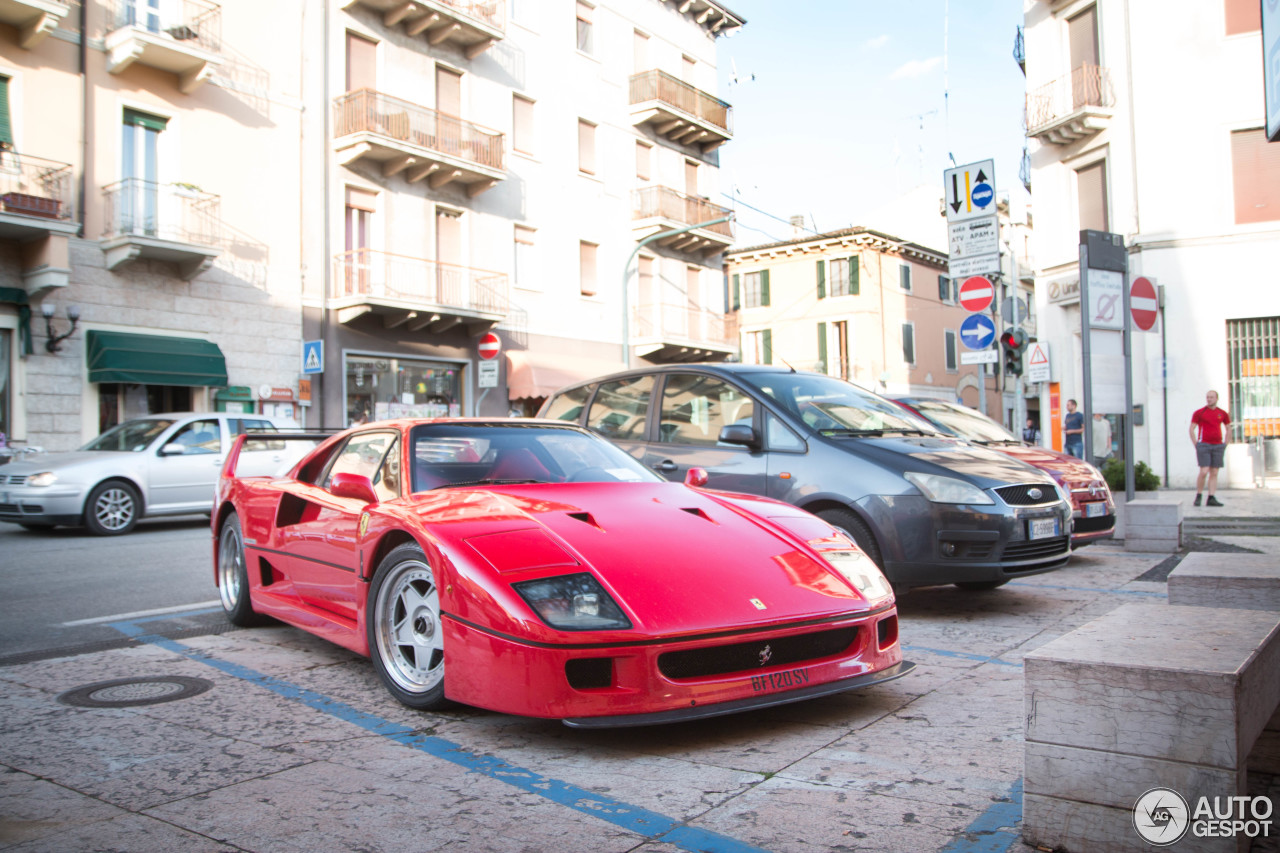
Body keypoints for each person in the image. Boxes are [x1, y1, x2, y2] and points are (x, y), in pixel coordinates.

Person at [1190, 389, 1230, 507]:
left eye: (1211, 397)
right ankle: (1199, 494)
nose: (1209, 399)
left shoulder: (1222, 413)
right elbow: (1192, 428)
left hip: (1218, 445)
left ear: (1216, 399)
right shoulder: (1200, 413)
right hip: (1204, 445)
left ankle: (1211, 497)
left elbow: (1228, 428)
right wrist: (1196, 444)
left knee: (1214, 471)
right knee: (1204, 471)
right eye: (1208, 397)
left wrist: (1225, 443)